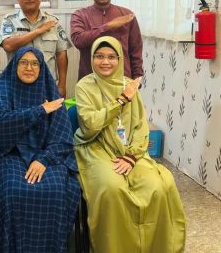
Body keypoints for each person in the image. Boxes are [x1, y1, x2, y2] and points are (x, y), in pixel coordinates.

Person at [75, 36, 186, 252]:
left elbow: (140, 127)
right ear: (92, 58)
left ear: (120, 59)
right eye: (99, 56)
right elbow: (90, 126)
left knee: (158, 187)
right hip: (96, 147)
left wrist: (132, 156)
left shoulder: (130, 85)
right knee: (112, 189)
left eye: (111, 57)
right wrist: (120, 101)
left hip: (130, 151)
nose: (105, 62)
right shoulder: (84, 86)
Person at [0, 46, 80, 253]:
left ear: (42, 68)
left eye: (35, 63)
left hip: (47, 155)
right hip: (11, 154)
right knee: (14, 191)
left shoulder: (50, 92)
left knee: (56, 189)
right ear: (15, 65)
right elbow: (0, 121)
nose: (29, 68)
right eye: (24, 62)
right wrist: (40, 110)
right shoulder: (5, 89)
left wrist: (43, 160)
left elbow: (62, 138)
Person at [0, 0, 72, 96]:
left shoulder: (53, 21)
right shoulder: (9, 20)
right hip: (17, 87)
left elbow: (61, 54)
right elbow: (8, 45)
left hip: (47, 86)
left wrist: (62, 85)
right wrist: (37, 32)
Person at [70, 0, 143, 80]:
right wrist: (109, 26)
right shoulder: (80, 15)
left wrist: (137, 78)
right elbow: (78, 41)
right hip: (91, 82)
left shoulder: (127, 15)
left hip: (122, 81)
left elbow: (136, 50)